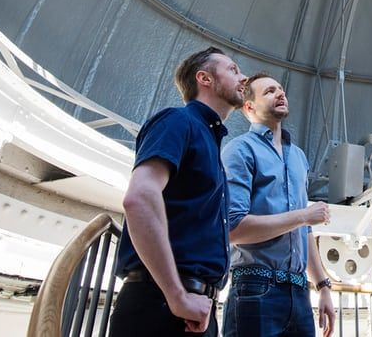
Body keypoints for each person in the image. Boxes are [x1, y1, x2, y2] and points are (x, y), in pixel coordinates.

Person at [110, 46, 248, 337]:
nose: (244, 78)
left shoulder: (210, 141)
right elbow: (139, 198)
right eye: (233, 70)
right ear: (205, 78)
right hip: (160, 305)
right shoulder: (177, 121)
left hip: (194, 308)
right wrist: (176, 295)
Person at [221, 73, 336, 337]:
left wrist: (323, 286)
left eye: (281, 89)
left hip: (300, 292)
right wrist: (303, 215)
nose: (280, 93)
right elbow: (233, 228)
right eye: (269, 91)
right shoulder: (239, 150)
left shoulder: (298, 157)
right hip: (255, 287)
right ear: (249, 107)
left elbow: (304, 230)